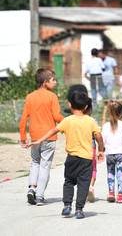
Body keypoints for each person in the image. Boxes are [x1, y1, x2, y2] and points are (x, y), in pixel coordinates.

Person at [27, 91, 105, 219]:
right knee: (83, 184)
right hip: (86, 159)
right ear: (86, 107)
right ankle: (79, 209)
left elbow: (53, 130)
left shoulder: (67, 120)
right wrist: (101, 150)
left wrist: (39, 140)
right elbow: (98, 136)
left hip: (71, 158)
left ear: (70, 105)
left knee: (68, 182)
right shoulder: (90, 121)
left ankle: (67, 206)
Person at [19, 69, 64, 206]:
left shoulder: (30, 97)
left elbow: (23, 119)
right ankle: (39, 196)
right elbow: (57, 117)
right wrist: (67, 122)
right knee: (45, 166)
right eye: (53, 80)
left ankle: (32, 188)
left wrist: (22, 137)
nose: (55, 82)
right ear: (45, 82)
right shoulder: (52, 97)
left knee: (35, 163)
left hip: (34, 137)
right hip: (49, 136)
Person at [65, 84, 98, 203]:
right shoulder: (90, 118)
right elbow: (97, 135)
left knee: (71, 176)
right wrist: (102, 149)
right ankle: (91, 187)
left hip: (73, 150)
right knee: (92, 168)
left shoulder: (70, 118)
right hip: (90, 148)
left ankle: (69, 202)